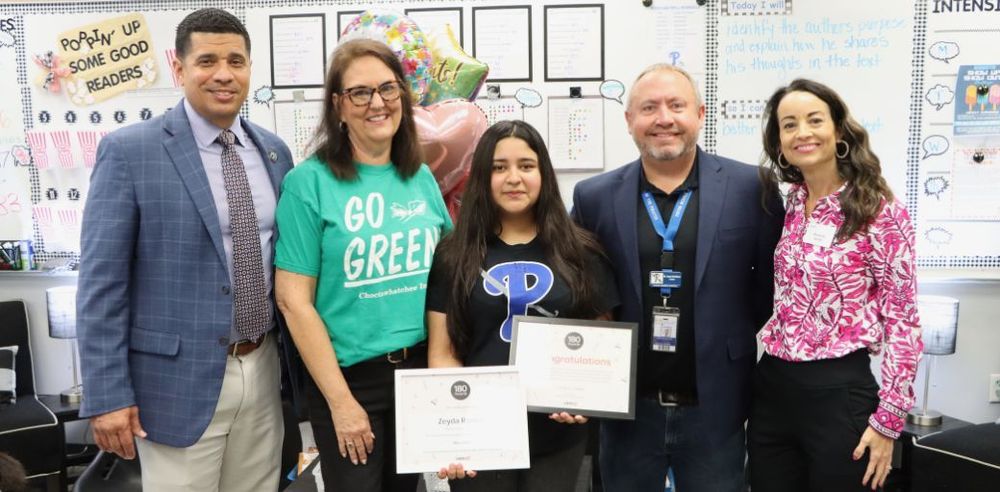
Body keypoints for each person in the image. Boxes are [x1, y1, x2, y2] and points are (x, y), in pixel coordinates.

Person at [76, 8, 294, 491]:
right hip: (175, 383)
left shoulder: (274, 152)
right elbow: (101, 285)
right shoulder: (130, 152)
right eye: (207, 60)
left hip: (263, 368)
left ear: (249, 69)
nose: (223, 74)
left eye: (236, 61)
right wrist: (108, 394)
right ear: (178, 68)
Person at [571, 63, 784, 492]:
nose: (663, 118)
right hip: (628, 409)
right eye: (648, 107)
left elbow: (769, 289)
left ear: (700, 114)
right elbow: (583, 291)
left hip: (716, 408)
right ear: (629, 120)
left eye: (676, 105)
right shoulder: (593, 197)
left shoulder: (751, 187)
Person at [274, 39, 452, 492]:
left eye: (388, 89)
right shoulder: (307, 184)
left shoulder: (421, 177)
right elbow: (293, 302)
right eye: (360, 92)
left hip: (416, 375)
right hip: (350, 380)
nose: (377, 103)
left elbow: (448, 276)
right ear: (338, 106)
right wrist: (340, 402)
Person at [424, 120, 620, 492]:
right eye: (499, 168)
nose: (513, 178)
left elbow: (602, 346)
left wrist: (587, 398)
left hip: (557, 435)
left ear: (543, 173)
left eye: (526, 166)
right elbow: (443, 353)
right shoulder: (454, 255)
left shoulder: (582, 252)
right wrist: (454, 425)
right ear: (482, 177)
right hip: (480, 431)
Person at [749, 78, 922, 492]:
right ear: (779, 141)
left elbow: (904, 321)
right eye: (789, 125)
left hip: (838, 390)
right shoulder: (787, 203)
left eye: (814, 120)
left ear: (839, 130)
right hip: (773, 388)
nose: (802, 133)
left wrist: (889, 421)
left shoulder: (879, 211)